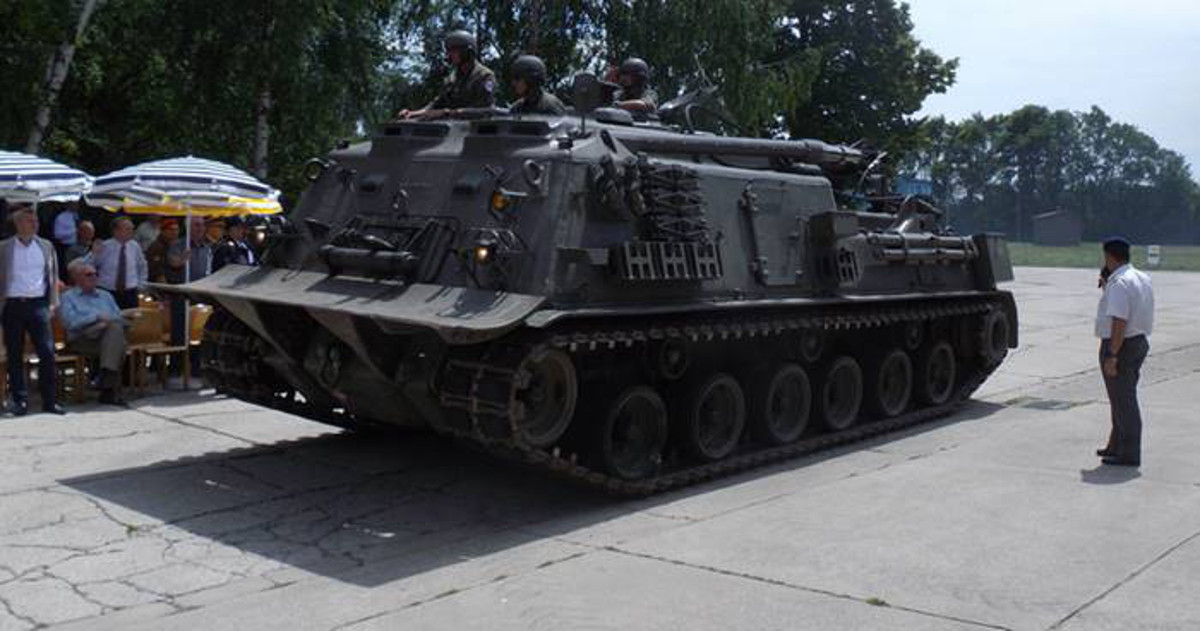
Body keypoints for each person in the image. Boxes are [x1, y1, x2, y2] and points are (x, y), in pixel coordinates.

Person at [1094, 237, 1155, 467]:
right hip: (1138, 342)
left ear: (1110, 256)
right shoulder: (1141, 277)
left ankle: (1128, 453)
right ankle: (1115, 444)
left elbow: (1119, 321)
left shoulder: (1119, 284)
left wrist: (1112, 355)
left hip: (1121, 346)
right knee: (1120, 398)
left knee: (1124, 401)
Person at [0, 206, 65, 415]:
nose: (35, 224)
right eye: (30, 221)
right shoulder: (4, 247)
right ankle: (20, 402)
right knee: (15, 354)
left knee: (47, 352)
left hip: (38, 305)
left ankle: (49, 401)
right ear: (18, 224)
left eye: (35, 220)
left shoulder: (46, 246)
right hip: (12, 304)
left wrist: (53, 304)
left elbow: (53, 276)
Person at [60, 260, 131, 405]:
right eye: (88, 274)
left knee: (115, 331)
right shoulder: (68, 297)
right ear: (78, 278)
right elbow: (71, 323)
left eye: (96, 274)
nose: (94, 277)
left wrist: (106, 324)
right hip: (82, 338)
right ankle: (108, 387)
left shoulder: (106, 295)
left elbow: (119, 317)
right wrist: (96, 318)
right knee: (118, 342)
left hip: (106, 336)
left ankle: (106, 383)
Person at [395, 30, 496, 120]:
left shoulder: (484, 76)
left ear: (467, 52)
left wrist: (447, 113)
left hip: (477, 131)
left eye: (454, 50)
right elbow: (437, 103)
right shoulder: (452, 78)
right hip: (452, 129)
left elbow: (484, 110)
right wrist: (413, 113)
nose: (449, 55)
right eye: (449, 51)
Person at [87, 216, 148, 310]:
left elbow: (142, 266)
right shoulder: (105, 246)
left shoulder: (135, 246)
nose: (131, 231)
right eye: (128, 229)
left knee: (131, 321)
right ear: (116, 231)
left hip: (130, 292)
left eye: (132, 229)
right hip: (107, 291)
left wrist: (141, 284)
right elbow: (91, 265)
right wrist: (94, 254)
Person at [145, 218, 180, 283]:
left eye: (177, 230)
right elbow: (156, 270)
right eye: (171, 230)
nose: (175, 232)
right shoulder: (157, 247)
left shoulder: (175, 245)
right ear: (163, 231)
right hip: (160, 287)